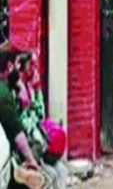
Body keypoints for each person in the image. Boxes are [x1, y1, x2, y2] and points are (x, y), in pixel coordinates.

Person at [0, 49, 66, 189]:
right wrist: (30, 159)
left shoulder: (21, 88)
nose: (34, 71)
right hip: (17, 149)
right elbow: (20, 128)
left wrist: (36, 91)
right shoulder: (9, 92)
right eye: (31, 67)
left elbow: (40, 115)